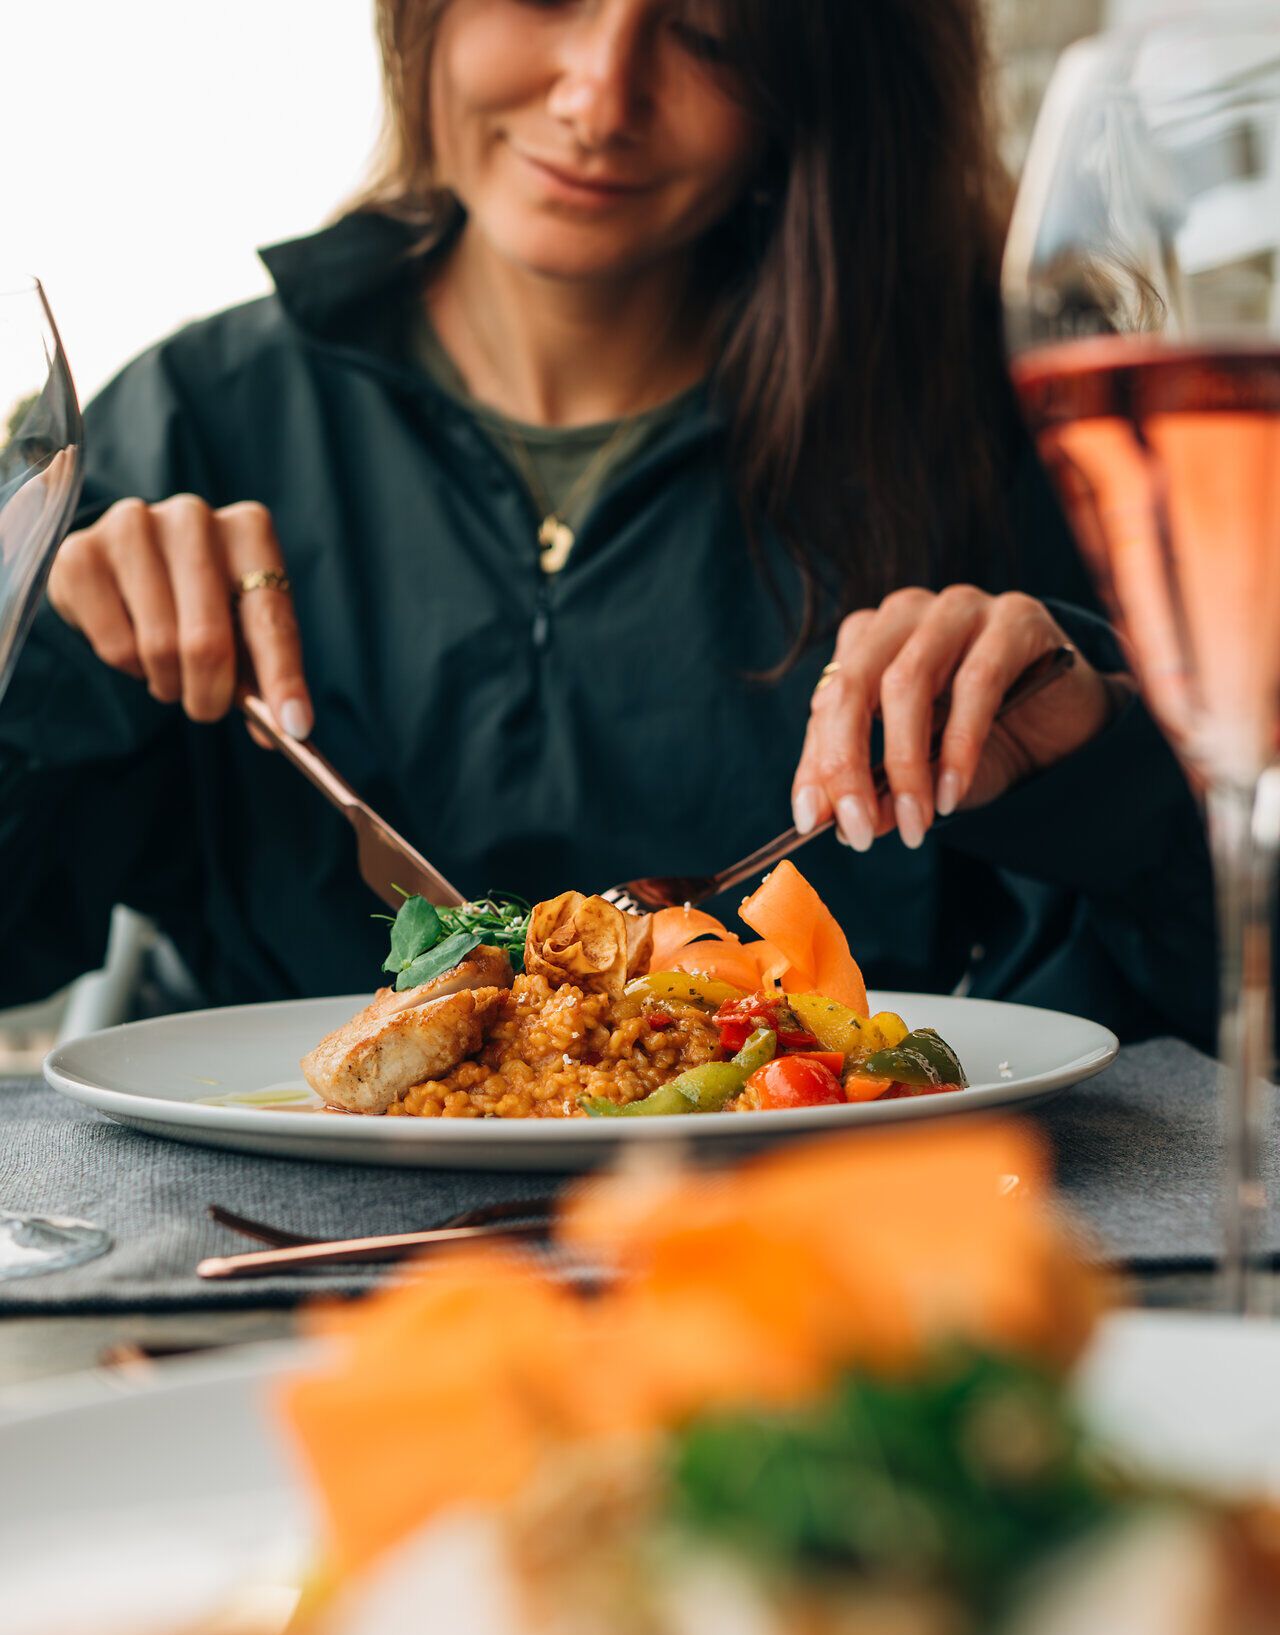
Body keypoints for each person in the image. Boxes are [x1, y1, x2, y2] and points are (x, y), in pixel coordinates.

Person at [0, 0, 1214, 1045]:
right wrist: (52, 667)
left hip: (824, 1237)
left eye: (707, 34)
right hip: (253, 1250)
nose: (598, 96)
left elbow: (1184, 1018)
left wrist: (1101, 764)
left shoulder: (992, 432)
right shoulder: (188, 422)